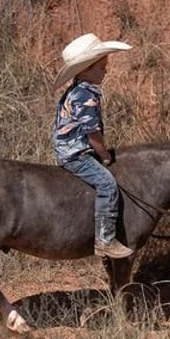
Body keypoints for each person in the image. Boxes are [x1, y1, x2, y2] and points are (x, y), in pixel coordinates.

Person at [52, 32, 135, 259]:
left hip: (72, 149)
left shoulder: (80, 90)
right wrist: (104, 155)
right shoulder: (85, 95)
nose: (105, 70)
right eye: (101, 67)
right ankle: (105, 240)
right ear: (85, 71)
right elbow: (92, 133)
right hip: (75, 153)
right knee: (107, 184)